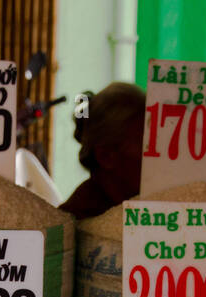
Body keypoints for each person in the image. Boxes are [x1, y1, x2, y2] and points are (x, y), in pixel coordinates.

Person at [59, 82, 146, 220]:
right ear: (106, 156)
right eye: (145, 144)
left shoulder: (142, 211)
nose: (156, 154)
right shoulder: (73, 227)